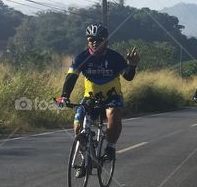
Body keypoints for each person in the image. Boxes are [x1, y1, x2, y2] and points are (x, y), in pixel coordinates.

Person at [58, 23, 140, 162]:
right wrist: (64, 96)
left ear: (106, 41)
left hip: (112, 97)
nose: (95, 42)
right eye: (91, 40)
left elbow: (128, 77)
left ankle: (110, 147)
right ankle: (85, 156)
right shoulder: (81, 57)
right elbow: (71, 77)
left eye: (99, 39)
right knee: (78, 126)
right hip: (90, 98)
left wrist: (132, 65)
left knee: (113, 114)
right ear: (87, 41)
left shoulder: (114, 57)